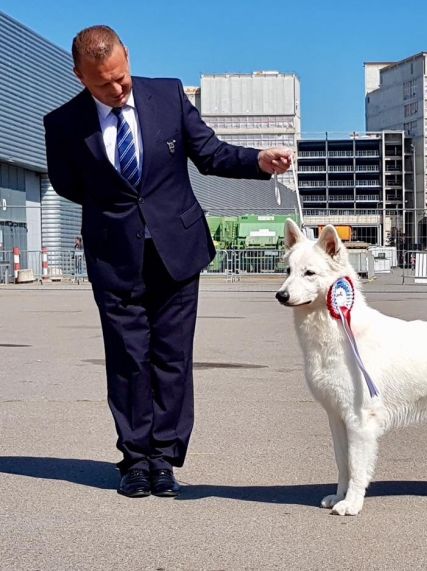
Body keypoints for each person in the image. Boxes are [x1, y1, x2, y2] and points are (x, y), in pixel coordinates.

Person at [44, 25, 292, 498]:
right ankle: (134, 459)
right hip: (114, 257)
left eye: (121, 77)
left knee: (172, 359)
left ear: (127, 58)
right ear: (80, 75)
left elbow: (210, 153)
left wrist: (258, 160)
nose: (117, 89)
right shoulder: (62, 124)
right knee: (128, 358)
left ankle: (165, 458)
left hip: (177, 251)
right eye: (103, 84)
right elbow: (68, 185)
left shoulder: (169, 95)